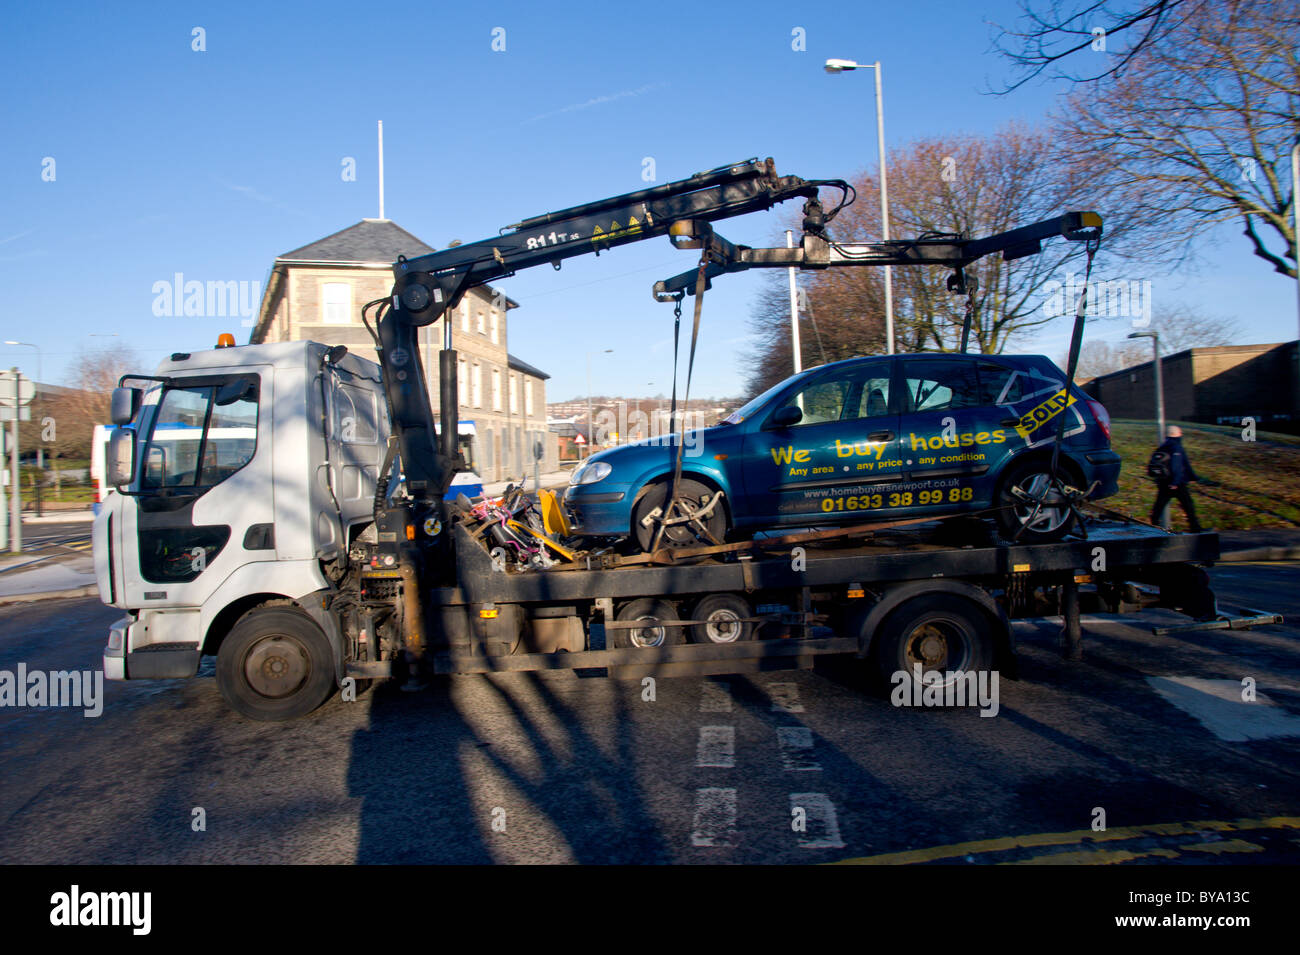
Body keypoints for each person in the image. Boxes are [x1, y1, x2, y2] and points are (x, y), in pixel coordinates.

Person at [1149, 425, 1203, 533]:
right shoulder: (1176, 446)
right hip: (1176, 483)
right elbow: (1177, 465)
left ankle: (1152, 525)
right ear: (1175, 434)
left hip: (1163, 481)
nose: (1181, 434)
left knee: (1159, 505)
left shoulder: (1163, 446)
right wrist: (1175, 482)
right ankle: (1195, 528)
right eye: (1180, 432)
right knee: (1188, 505)